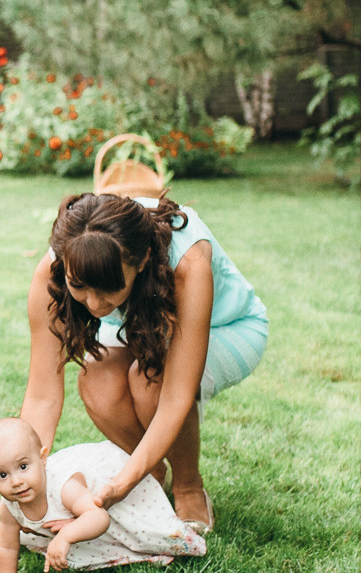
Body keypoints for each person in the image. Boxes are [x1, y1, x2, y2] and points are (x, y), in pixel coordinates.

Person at [21, 192, 268, 534]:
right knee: (97, 379)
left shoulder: (188, 259)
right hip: (137, 328)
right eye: (79, 286)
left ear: (142, 260)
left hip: (227, 328)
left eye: (108, 287)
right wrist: (26, 480)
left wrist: (119, 485)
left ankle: (187, 485)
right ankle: (150, 475)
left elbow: (175, 396)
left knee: (150, 378)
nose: (93, 303)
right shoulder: (59, 262)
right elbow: (42, 395)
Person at [0, 418, 206, 573]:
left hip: (105, 497)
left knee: (138, 531)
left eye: (24, 466)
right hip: (79, 509)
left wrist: (64, 537)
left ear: (43, 458)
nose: (16, 481)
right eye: (3, 475)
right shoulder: (9, 505)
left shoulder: (64, 487)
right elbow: (6, 546)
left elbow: (98, 518)